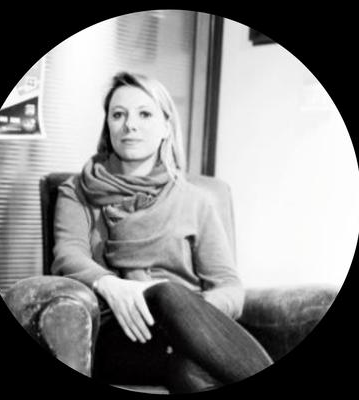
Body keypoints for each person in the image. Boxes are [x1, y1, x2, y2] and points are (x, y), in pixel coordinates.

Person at [51, 71, 273, 393]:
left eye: (144, 114)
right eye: (118, 114)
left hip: (182, 335)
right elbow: (68, 254)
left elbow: (229, 285)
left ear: (166, 126)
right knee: (166, 294)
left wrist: (191, 314)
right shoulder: (78, 190)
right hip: (116, 333)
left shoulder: (196, 201)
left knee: (187, 366)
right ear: (108, 125)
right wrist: (111, 284)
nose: (130, 125)